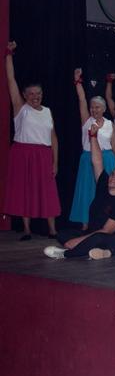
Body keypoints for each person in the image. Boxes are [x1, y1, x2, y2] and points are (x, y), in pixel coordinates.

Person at [43, 126, 115, 260]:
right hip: (93, 233)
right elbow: (97, 162)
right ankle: (90, 251)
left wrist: (78, 241)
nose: (113, 177)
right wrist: (93, 137)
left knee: (95, 238)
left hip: (112, 239)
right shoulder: (104, 186)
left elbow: (106, 231)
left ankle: (64, 254)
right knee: (63, 234)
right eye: (113, 174)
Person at [3, 41, 61, 239]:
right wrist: (9, 54)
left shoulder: (48, 112)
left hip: (43, 154)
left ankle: (52, 229)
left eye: (39, 93)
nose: (36, 97)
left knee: (47, 192)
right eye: (32, 94)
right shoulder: (21, 108)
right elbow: (11, 79)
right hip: (23, 153)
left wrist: (55, 162)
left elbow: (53, 138)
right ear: (24, 96)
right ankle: (27, 229)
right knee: (25, 190)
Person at [70, 68, 115, 228]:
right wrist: (77, 81)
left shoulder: (110, 124)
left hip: (107, 159)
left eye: (97, 107)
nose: (94, 110)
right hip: (88, 159)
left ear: (104, 109)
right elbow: (81, 100)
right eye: (92, 107)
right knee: (87, 192)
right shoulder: (87, 120)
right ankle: (86, 223)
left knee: (107, 191)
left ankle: (105, 222)